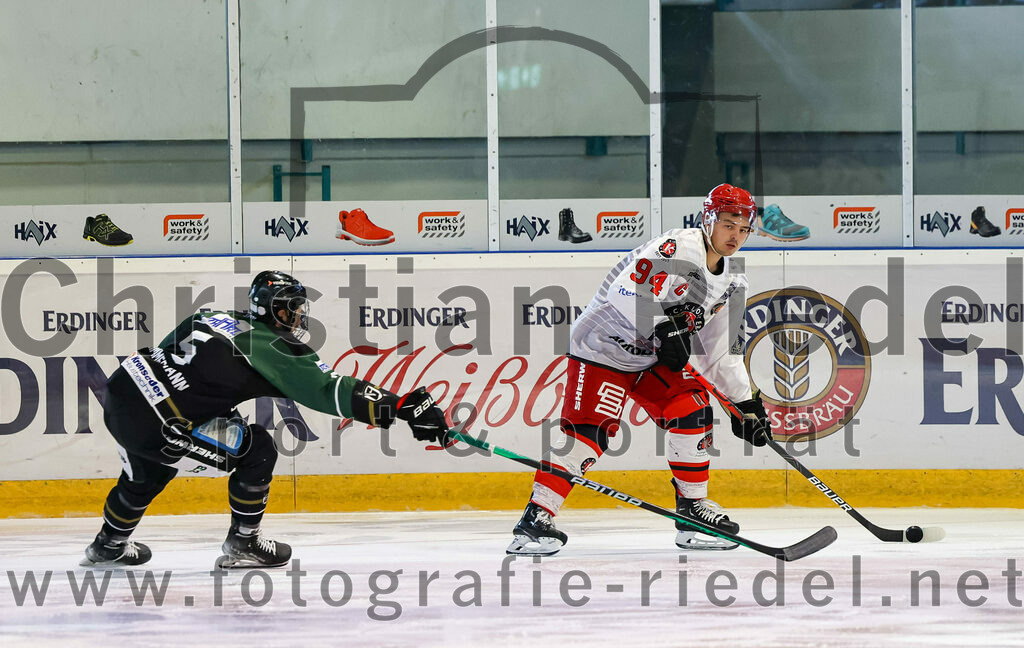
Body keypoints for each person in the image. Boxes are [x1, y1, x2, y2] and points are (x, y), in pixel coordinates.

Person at [82, 270, 448, 568]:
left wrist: (201, 403)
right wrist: (402, 407)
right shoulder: (271, 346)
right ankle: (244, 542)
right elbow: (328, 389)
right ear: (272, 310)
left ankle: (108, 544)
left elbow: (169, 355)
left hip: (123, 393)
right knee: (257, 447)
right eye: (291, 308)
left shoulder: (211, 314)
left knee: (151, 468)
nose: (298, 315)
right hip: (161, 418)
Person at [507, 184, 772, 556]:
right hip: (604, 346)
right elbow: (623, 292)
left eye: (743, 230)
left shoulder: (734, 281)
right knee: (590, 432)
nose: (735, 236)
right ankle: (534, 521)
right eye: (728, 224)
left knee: (692, 410)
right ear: (709, 219)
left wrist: (745, 404)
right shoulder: (677, 248)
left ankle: (692, 514)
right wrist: (664, 327)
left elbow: (719, 353)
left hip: (650, 360)